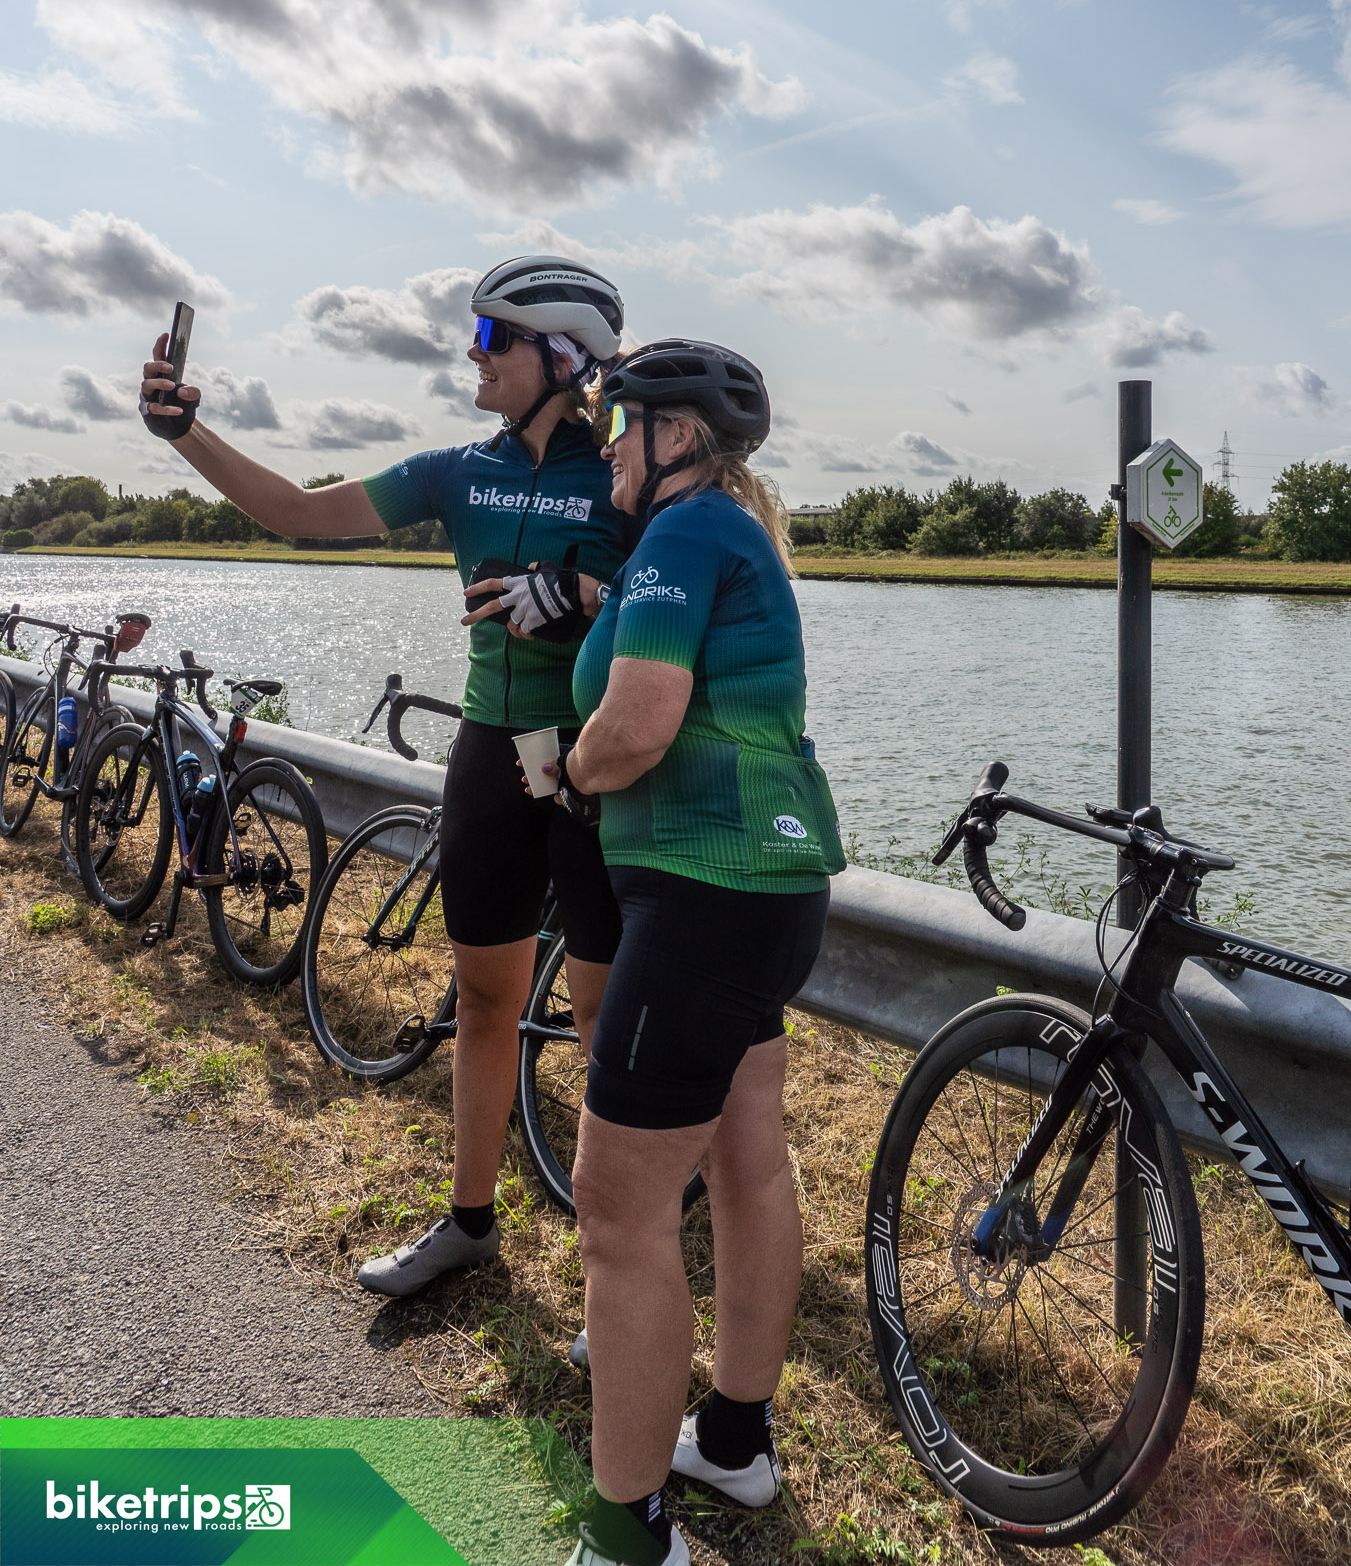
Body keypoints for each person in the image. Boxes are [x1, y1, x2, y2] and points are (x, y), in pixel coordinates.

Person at [139, 255, 631, 1294]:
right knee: (485, 1000)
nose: (473, 351)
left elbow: (689, 586)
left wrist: (583, 587)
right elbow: (299, 512)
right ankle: (467, 1221)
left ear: (563, 355)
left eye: (494, 336)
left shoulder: (626, 474)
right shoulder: (461, 469)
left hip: (594, 767)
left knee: (601, 1024)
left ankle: (615, 1273)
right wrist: (186, 432)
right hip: (493, 760)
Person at [552, 340, 845, 1566]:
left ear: (678, 436)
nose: (610, 443)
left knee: (620, 1208)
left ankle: (629, 1536)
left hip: (700, 890)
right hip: (769, 888)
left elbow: (635, 722)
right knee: (742, 1157)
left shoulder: (679, 537)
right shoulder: (731, 534)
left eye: (623, 424)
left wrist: (566, 770)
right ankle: (731, 1436)